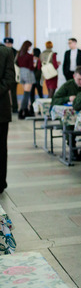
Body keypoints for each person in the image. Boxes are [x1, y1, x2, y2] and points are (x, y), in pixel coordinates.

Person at [0, 44, 15, 194]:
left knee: (1, 148)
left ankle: (0, 182)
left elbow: (10, 78)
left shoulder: (5, 51)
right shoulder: (6, 51)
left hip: (1, 110)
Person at [15, 41, 36, 119]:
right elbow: (31, 67)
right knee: (26, 94)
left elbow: (17, 63)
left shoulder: (19, 54)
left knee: (26, 93)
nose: (30, 48)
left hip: (22, 73)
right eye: (30, 46)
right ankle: (21, 111)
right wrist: (35, 64)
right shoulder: (29, 56)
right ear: (28, 47)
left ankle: (26, 111)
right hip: (28, 73)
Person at [4, 38, 18, 115]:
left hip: (13, 74)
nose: (7, 45)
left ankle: (15, 108)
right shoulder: (3, 51)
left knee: (13, 93)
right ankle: (7, 108)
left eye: (9, 43)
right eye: (6, 43)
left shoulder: (15, 52)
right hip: (5, 75)